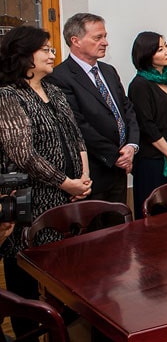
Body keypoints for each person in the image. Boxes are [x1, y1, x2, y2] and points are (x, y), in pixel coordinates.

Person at [0, 26, 91, 339]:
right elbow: (23, 154)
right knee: (24, 267)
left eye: (53, 48)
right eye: (46, 49)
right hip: (30, 197)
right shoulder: (8, 96)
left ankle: (63, 326)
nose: (53, 54)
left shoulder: (54, 89)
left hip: (67, 193)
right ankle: (27, 329)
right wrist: (67, 183)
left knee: (63, 268)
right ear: (24, 56)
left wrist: (83, 176)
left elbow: (76, 135)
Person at [49, 12, 139, 204]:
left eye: (105, 36)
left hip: (120, 166)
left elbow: (127, 109)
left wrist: (131, 146)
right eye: (98, 37)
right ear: (76, 41)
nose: (105, 42)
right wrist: (113, 155)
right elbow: (77, 124)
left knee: (120, 226)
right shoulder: (59, 76)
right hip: (92, 170)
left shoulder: (108, 71)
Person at [127, 32, 167, 219]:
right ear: (147, 55)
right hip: (153, 161)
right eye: (159, 49)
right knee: (155, 216)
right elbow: (147, 125)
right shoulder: (140, 84)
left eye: (166, 46)